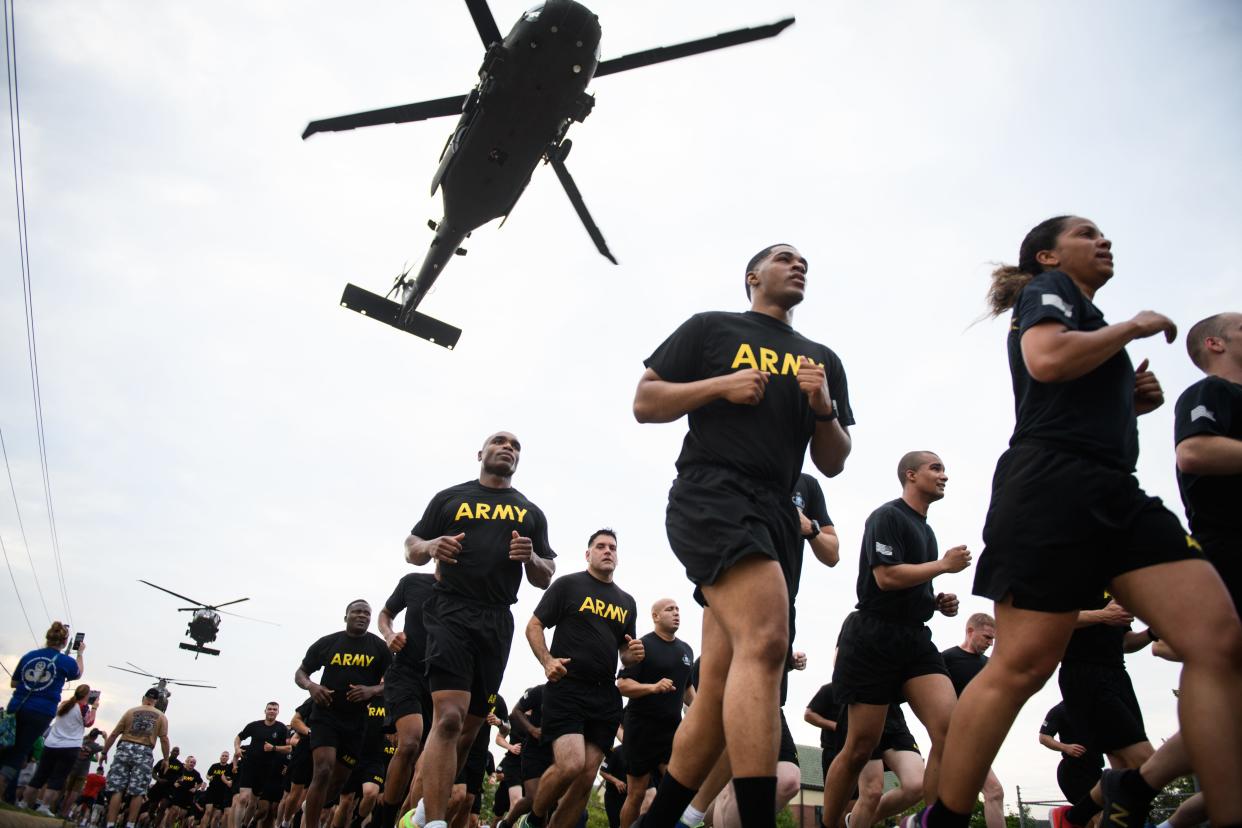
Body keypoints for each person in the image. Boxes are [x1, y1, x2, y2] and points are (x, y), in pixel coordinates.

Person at [914, 216, 1242, 828]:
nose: (1104, 240)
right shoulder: (1048, 291)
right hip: (1049, 488)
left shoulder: (1086, 321)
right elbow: (1046, 360)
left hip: (1116, 491)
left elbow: (1069, 386)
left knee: (1218, 640)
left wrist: (1128, 399)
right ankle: (946, 817)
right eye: (1087, 233)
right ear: (1047, 255)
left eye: (1104, 233)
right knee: (1022, 668)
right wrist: (1132, 328)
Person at [632, 243, 854, 828]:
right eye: (784, 257)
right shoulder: (713, 329)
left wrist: (824, 407)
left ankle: (664, 823)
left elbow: (833, 462)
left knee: (719, 687)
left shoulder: (820, 357)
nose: (799, 262)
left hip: (776, 511)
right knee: (767, 641)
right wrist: (719, 387)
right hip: (714, 494)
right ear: (753, 277)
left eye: (805, 258)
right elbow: (645, 401)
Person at [1076, 311, 1242, 828]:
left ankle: (1136, 787)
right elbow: (1194, 452)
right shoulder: (1211, 393)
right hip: (1230, 556)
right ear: (1214, 343)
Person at [404, 430, 556, 828]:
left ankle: (423, 809)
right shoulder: (451, 497)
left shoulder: (529, 512)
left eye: (516, 446)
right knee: (449, 719)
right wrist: (433, 544)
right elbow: (411, 547)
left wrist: (531, 558)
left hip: (496, 619)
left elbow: (545, 575)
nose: (508, 447)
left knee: (470, 730)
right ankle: (435, 822)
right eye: (499, 441)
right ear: (480, 453)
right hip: (450, 609)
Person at [821, 451, 968, 828]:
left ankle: (933, 822)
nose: (944, 475)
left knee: (951, 732)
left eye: (944, 469)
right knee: (859, 748)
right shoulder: (888, 516)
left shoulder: (927, 530)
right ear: (911, 475)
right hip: (873, 636)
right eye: (935, 468)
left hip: (915, 638)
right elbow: (885, 577)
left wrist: (935, 601)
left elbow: (910, 582)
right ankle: (832, 823)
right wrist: (942, 566)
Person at [519, 528, 643, 828]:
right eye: (600, 546)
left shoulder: (626, 601)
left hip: (605, 694)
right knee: (571, 764)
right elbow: (534, 626)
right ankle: (534, 820)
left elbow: (625, 652)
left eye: (613, 547)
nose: (607, 551)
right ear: (588, 554)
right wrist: (547, 661)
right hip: (567, 687)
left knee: (586, 777)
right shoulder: (568, 585)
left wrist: (633, 654)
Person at [295, 599, 391, 828]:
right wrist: (312, 686)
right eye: (357, 612)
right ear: (346, 616)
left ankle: (312, 806)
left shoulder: (379, 648)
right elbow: (301, 673)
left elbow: (393, 681)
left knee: (338, 782)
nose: (362, 616)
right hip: (326, 716)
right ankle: (312, 824)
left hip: (356, 722)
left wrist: (372, 690)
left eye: (367, 614)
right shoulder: (329, 643)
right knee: (324, 769)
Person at [616, 599, 693, 828]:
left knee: (677, 790)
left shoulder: (686, 649)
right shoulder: (642, 646)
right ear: (655, 616)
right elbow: (622, 685)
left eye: (678, 609)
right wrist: (653, 687)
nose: (676, 613)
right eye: (670, 609)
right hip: (641, 730)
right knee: (637, 794)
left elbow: (687, 689)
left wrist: (702, 713)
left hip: (672, 731)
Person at [372, 570, 437, 828]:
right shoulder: (414, 582)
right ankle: (384, 818)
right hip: (406, 672)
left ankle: (405, 818)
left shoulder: (467, 589)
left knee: (425, 757)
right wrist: (389, 634)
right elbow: (385, 614)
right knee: (410, 742)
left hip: (442, 679)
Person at [1, 621, 85, 801]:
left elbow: (14, 682)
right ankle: (3, 791)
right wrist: (80, 653)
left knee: (9, 748)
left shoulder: (29, 656)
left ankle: (8, 795)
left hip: (17, 705)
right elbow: (78, 673)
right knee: (20, 752)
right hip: (41, 710)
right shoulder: (64, 661)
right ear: (64, 642)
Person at [940, 614, 1003, 828]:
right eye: (986, 637)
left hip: (978, 739)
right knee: (994, 791)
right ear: (970, 631)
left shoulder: (989, 665)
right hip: (953, 736)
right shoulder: (946, 658)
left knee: (954, 800)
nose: (990, 643)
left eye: (993, 639)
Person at [21, 682, 97, 815]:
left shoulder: (64, 705)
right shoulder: (83, 708)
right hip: (69, 746)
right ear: (86, 695)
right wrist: (95, 708)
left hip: (51, 744)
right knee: (57, 778)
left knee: (39, 776)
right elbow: (88, 722)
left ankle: (24, 802)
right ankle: (44, 806)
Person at [101, 687, 170, 828]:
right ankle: (131, 824)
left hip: (125, 747)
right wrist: (166, 758)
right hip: (144, 750)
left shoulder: (130, 712)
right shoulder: (161, 716)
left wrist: (104, 752)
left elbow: (114, 734)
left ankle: (110, 823)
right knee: (138, 791)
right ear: (156, 701)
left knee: (117, 789)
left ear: (144, 698)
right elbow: (164, 739)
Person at [234, 701, 291, 828]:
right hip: (249, 765)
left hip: (266, 769)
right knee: (243, 798)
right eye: (269, 709)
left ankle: (245, 825)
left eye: (274, 709)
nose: (272, 711)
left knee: (253, 802)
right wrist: (237, 748)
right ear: (265, 711)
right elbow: (239, 737)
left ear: (278, 712)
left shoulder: (281, 728)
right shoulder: (254, 726)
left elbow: (288, 748)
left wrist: (274, 748)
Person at [1038, 701, 1102, 805]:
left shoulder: (1094, 708)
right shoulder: (1059, 710)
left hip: (1096, 769)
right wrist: (1065, 747)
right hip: (1074, 770)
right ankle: (1065, 817)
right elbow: (1043, 737)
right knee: (1097, 813)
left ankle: (1069, 818)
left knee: (1104, 811)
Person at [164, 755, 202, 828]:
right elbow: (172, 777)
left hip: (188, 796)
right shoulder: (181, 770)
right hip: (178, 793)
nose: (192, 764)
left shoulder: (196, 774)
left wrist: (195, 788)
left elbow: (200, 782)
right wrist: (174, 783)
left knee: (182, 815)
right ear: (187, 762)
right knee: (173, 812)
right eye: (191, 762)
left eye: (194, 763)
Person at [202, 752, 232, 828]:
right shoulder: (214, 766)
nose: (224, 757)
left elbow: (231, 778)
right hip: (212, 791)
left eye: (226, 756)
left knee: (216, 816)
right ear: (220, 757)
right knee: (208, 811)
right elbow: (207, 775)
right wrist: (209, 778)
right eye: (223, 756)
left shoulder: (229, 767)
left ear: (228, 758)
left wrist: (229, 780)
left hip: (222, 793)